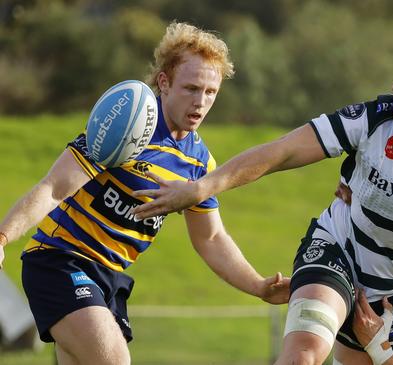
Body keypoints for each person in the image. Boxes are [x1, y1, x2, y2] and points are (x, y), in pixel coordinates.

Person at [132, 32, 393, 365]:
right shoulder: (374, 118)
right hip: (337, 249)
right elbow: (283, 151)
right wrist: (202, 187)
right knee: (302, 357)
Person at [0, 21, 289, 365]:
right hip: (61, 261)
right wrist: (3, 237)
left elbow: (210, 238)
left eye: (211, 92)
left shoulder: (199, 162)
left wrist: (258, 286)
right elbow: (54, 188)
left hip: (110, 279)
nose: (201, 102)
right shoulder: (127, 123)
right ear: (164, 83)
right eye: (191, 88)